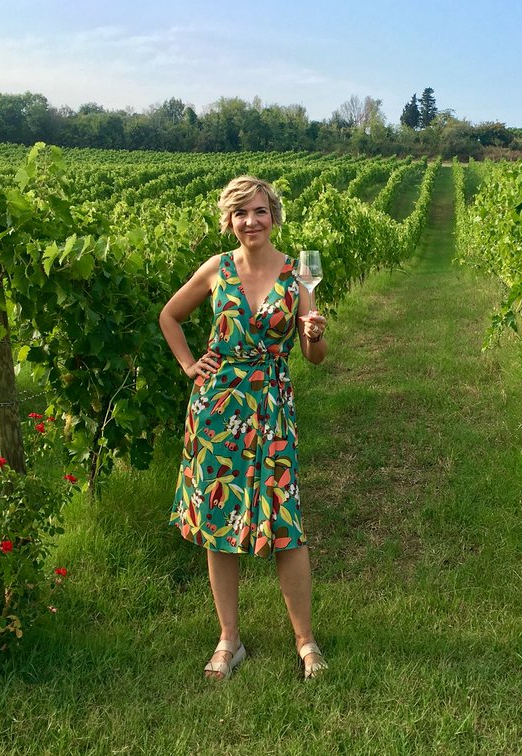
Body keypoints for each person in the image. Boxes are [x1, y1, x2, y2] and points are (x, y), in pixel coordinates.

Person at [160, 176, 329, 681]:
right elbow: (170, 316)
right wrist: (191, 365)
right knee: (219, 524)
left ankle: (306, 642)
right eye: (240, 213)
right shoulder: (217, 269)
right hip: (217, 410)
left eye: (258, 211)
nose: (250, 221)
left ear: (273, 215)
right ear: (229, 221)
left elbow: (314, 358)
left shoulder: (297, 277)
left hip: (272, 408)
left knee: (286, 525)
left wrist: (314, 335)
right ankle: (228, 640)